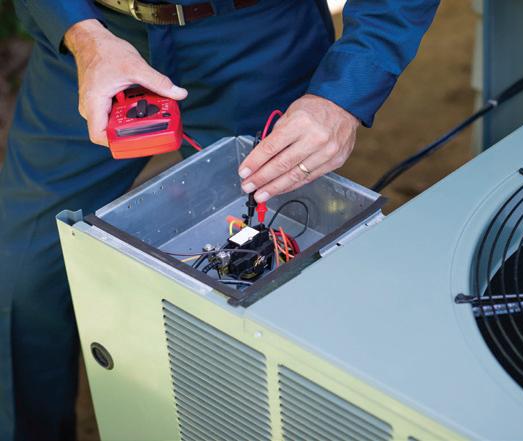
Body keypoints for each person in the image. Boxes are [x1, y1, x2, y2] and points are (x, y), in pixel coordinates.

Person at [0, 0, 439, 439]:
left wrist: (341, 96)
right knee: (21, 278)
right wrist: (82, 35)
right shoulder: (87, 41)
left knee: (273, 292)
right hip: (95, 42)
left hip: (257, 41)